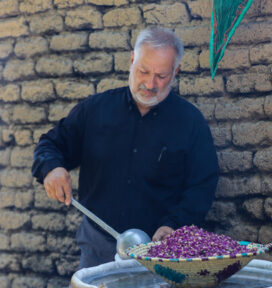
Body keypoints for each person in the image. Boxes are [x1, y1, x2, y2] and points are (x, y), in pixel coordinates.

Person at [31, 27, 219, 269]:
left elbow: (202, 184)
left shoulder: (190, 122)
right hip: (98, 246)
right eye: (143, 71)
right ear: (131, 61)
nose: (150, 84)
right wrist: (52, 168)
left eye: (161, 76)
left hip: (162, 253)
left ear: (176, 72)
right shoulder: (96, 109)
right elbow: (50, 144)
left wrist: (176, 224)